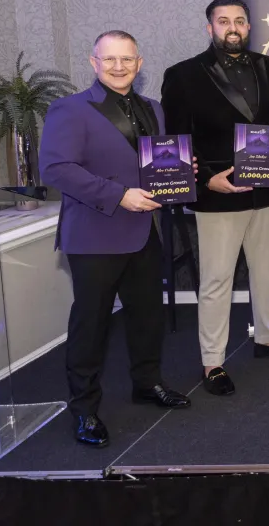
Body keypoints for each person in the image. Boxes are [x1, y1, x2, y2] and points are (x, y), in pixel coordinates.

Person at [40, 31, 191, 447]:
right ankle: (84, 409)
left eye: (127, 59)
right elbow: (56, 169)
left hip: (143, 232)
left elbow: (153, 165)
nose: (119, 67)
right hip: (94, 235)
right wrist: (118, 195)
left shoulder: (154, 109)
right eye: (110, 59)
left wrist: (180, 171)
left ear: (139, 64)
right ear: (94, 63)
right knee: (91, 326)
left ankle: (147, 383)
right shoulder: (70, 109)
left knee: (147, 317)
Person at [161, 0, 269, 398]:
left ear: (248, 27)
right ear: (209, 28)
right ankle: (213, 361)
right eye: (223, 21)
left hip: (267, 190)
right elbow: (176, 140)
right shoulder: (182, 75)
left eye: (239, 21)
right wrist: (207, 179)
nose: (232, 27)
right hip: (218, 195)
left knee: (268, 270)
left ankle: (267, 339)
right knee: (217, 279)